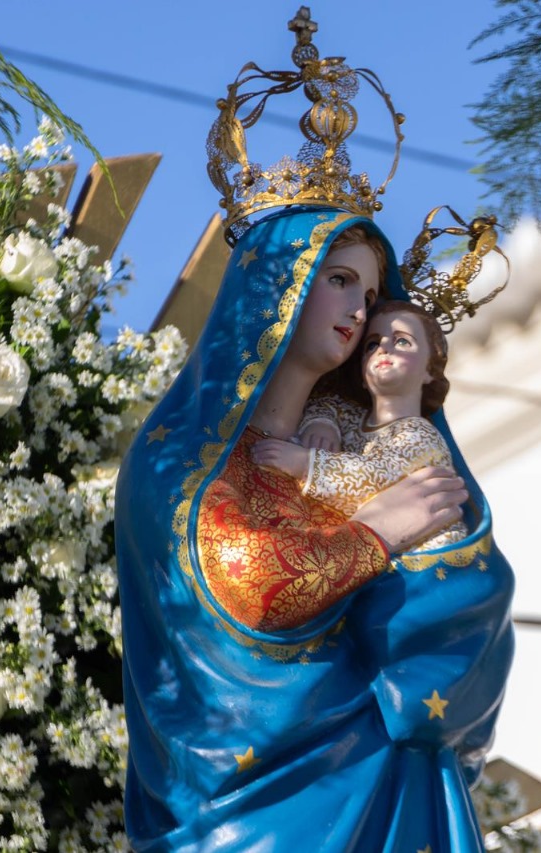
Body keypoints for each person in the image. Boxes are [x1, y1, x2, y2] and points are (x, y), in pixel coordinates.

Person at [115, 208, 515, 852]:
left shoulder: (362, 455)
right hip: (246, 813)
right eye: (339, 280)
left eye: (370, 294)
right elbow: (251, 585)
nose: (359, 311)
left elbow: (475, 583)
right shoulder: (182, 457)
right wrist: (379, 532)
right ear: (277, 288)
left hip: (384, 773)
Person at [251, 299, 469, 551]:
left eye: (402, 341)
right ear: (363, 377)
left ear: (429, 370)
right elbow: (329, 404)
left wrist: (306, 464)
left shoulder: (420, 435)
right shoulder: (354, 416)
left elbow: (375, 476)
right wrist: (322, 424)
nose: (384, 347)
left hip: (428, 558)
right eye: (372, 344)